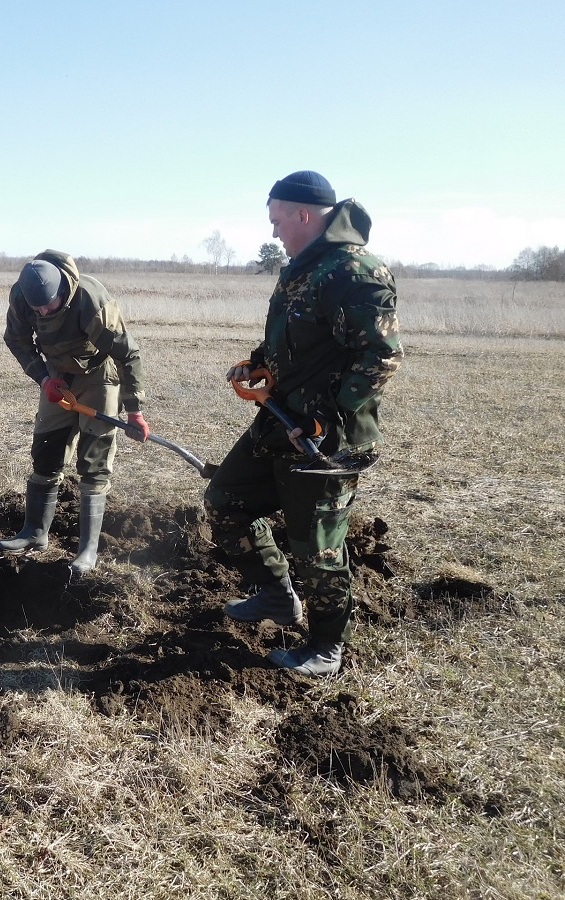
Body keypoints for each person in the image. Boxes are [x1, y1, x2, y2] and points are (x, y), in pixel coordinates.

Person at [204, 170, 403, 676]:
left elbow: (381, 356)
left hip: (326, 440)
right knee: (226, 501)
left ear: (303, 214)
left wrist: (330, 418)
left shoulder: (354, 272)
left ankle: (327, 646)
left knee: (317, 547)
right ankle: (276, 593)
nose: (273, 231)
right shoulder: (301, 269)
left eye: (277, 220)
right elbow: (293, 338)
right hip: (281, 420)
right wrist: (258, 363)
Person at [0, 250, 149, 575]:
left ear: (62, 290)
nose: (42, 311)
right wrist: (43, 378)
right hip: (56, 376)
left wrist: (134, 410)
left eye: (48, 305)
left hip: (97, 374)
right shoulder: (23, 297)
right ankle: (34, 532)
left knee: (93, 461)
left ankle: (87, 550)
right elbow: (16, 340)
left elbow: (128, 354)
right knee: (46, 451)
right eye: (37, 308)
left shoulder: (90, 301)